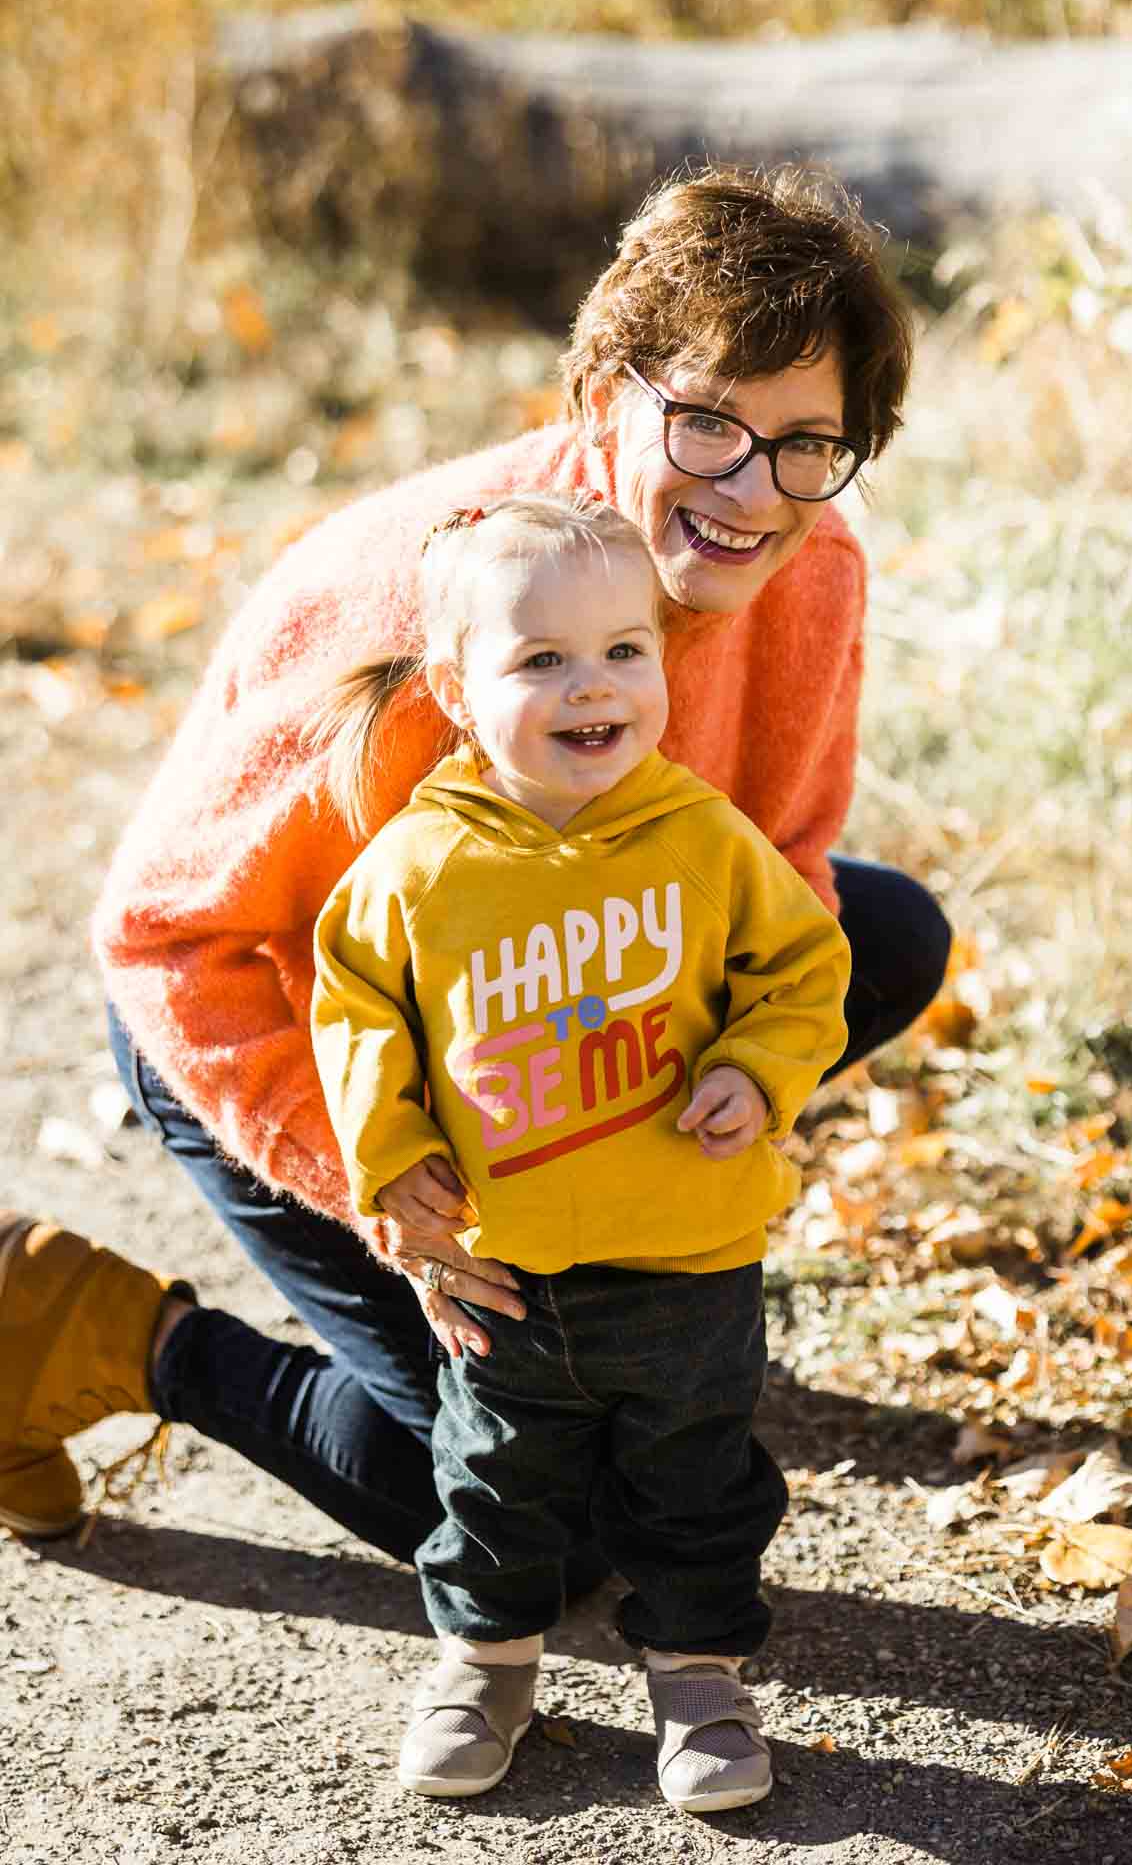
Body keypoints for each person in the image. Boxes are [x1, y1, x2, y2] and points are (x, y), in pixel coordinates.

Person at [0, 161, 950, 1749]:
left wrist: (731, 1089)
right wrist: (391, 1186)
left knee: (884, 934)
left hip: (557, 1008)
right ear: (605, 389)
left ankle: (616, 1287)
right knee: (552, 1528)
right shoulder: (411, 609)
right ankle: (87, 1332)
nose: (752, 488)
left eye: (807, 444)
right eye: (707, 422)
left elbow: (773, 867)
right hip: (290, 1028)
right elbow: (172, 940)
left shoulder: (807, 569)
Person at [308, 492, 851, 1807]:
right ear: (454, 682)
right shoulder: (419, 866)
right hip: (510, 1266)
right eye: (540, 659)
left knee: (695, 1480)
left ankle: (700, 1677)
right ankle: (482, 1667)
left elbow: (801, 965)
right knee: (492, 1480)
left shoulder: (700, 836)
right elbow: (353, 1008)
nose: (591, 685)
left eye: (622, 649)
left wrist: (753, 1067)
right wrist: (389, 1160)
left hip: (688, 1258)